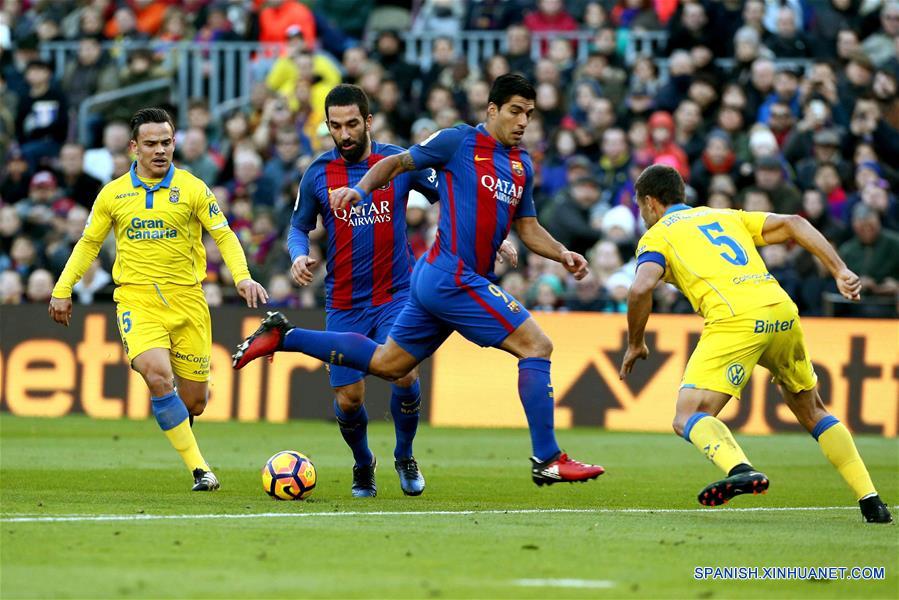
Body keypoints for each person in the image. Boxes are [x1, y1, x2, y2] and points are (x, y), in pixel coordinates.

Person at [234, 74, 605, 487]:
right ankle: (548, 457)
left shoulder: (522, 165)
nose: (522, 121)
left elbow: (526, 225)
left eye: (529, 114)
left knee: (391, 366)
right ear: (492, 110)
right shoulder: (458, 141)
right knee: (537, 345)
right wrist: (358, 192)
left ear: (368, 121)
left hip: (413, 284)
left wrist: (560, 252)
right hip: (449, 278)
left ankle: (285, 337)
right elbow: (397, 164)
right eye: (515, 111)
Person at [618, 164, 891, 524]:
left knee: (688, 414)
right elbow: (794, 221)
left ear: (651, 203)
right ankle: (871, 500)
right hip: (781, 310)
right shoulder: (725, 216)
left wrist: (635, 342)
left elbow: (639, 288)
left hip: (735, 319)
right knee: (812, 410)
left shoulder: (657, 236)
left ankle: (740, 468)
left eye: (641, 209)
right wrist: (839, 269)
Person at [49, 108, 268, 492]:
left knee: (196, 401)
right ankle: (201, 470)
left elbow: (225, 235)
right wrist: (62, 288)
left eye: (166, 142)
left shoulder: (194, 188)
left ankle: (185, 423)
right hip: (137, 301)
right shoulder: (113, 194)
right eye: (151, 143)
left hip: (188, 302)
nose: (160, 150)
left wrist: (243, 276)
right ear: (134, 147)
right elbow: (89, 244)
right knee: (157, 376)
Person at [284, 84, 441, 498]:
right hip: (344, 303)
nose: (344, 133)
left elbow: (451, 194)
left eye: (352, 123)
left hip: (398, 295)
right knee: (350, 399)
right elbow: (299, 226)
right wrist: (298, 256)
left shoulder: (400, 162)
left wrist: (491, 236)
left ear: (368, 121)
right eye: (335, 126)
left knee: (405, 372)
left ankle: (404, 454)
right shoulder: (318, 172)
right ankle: (363, 462)